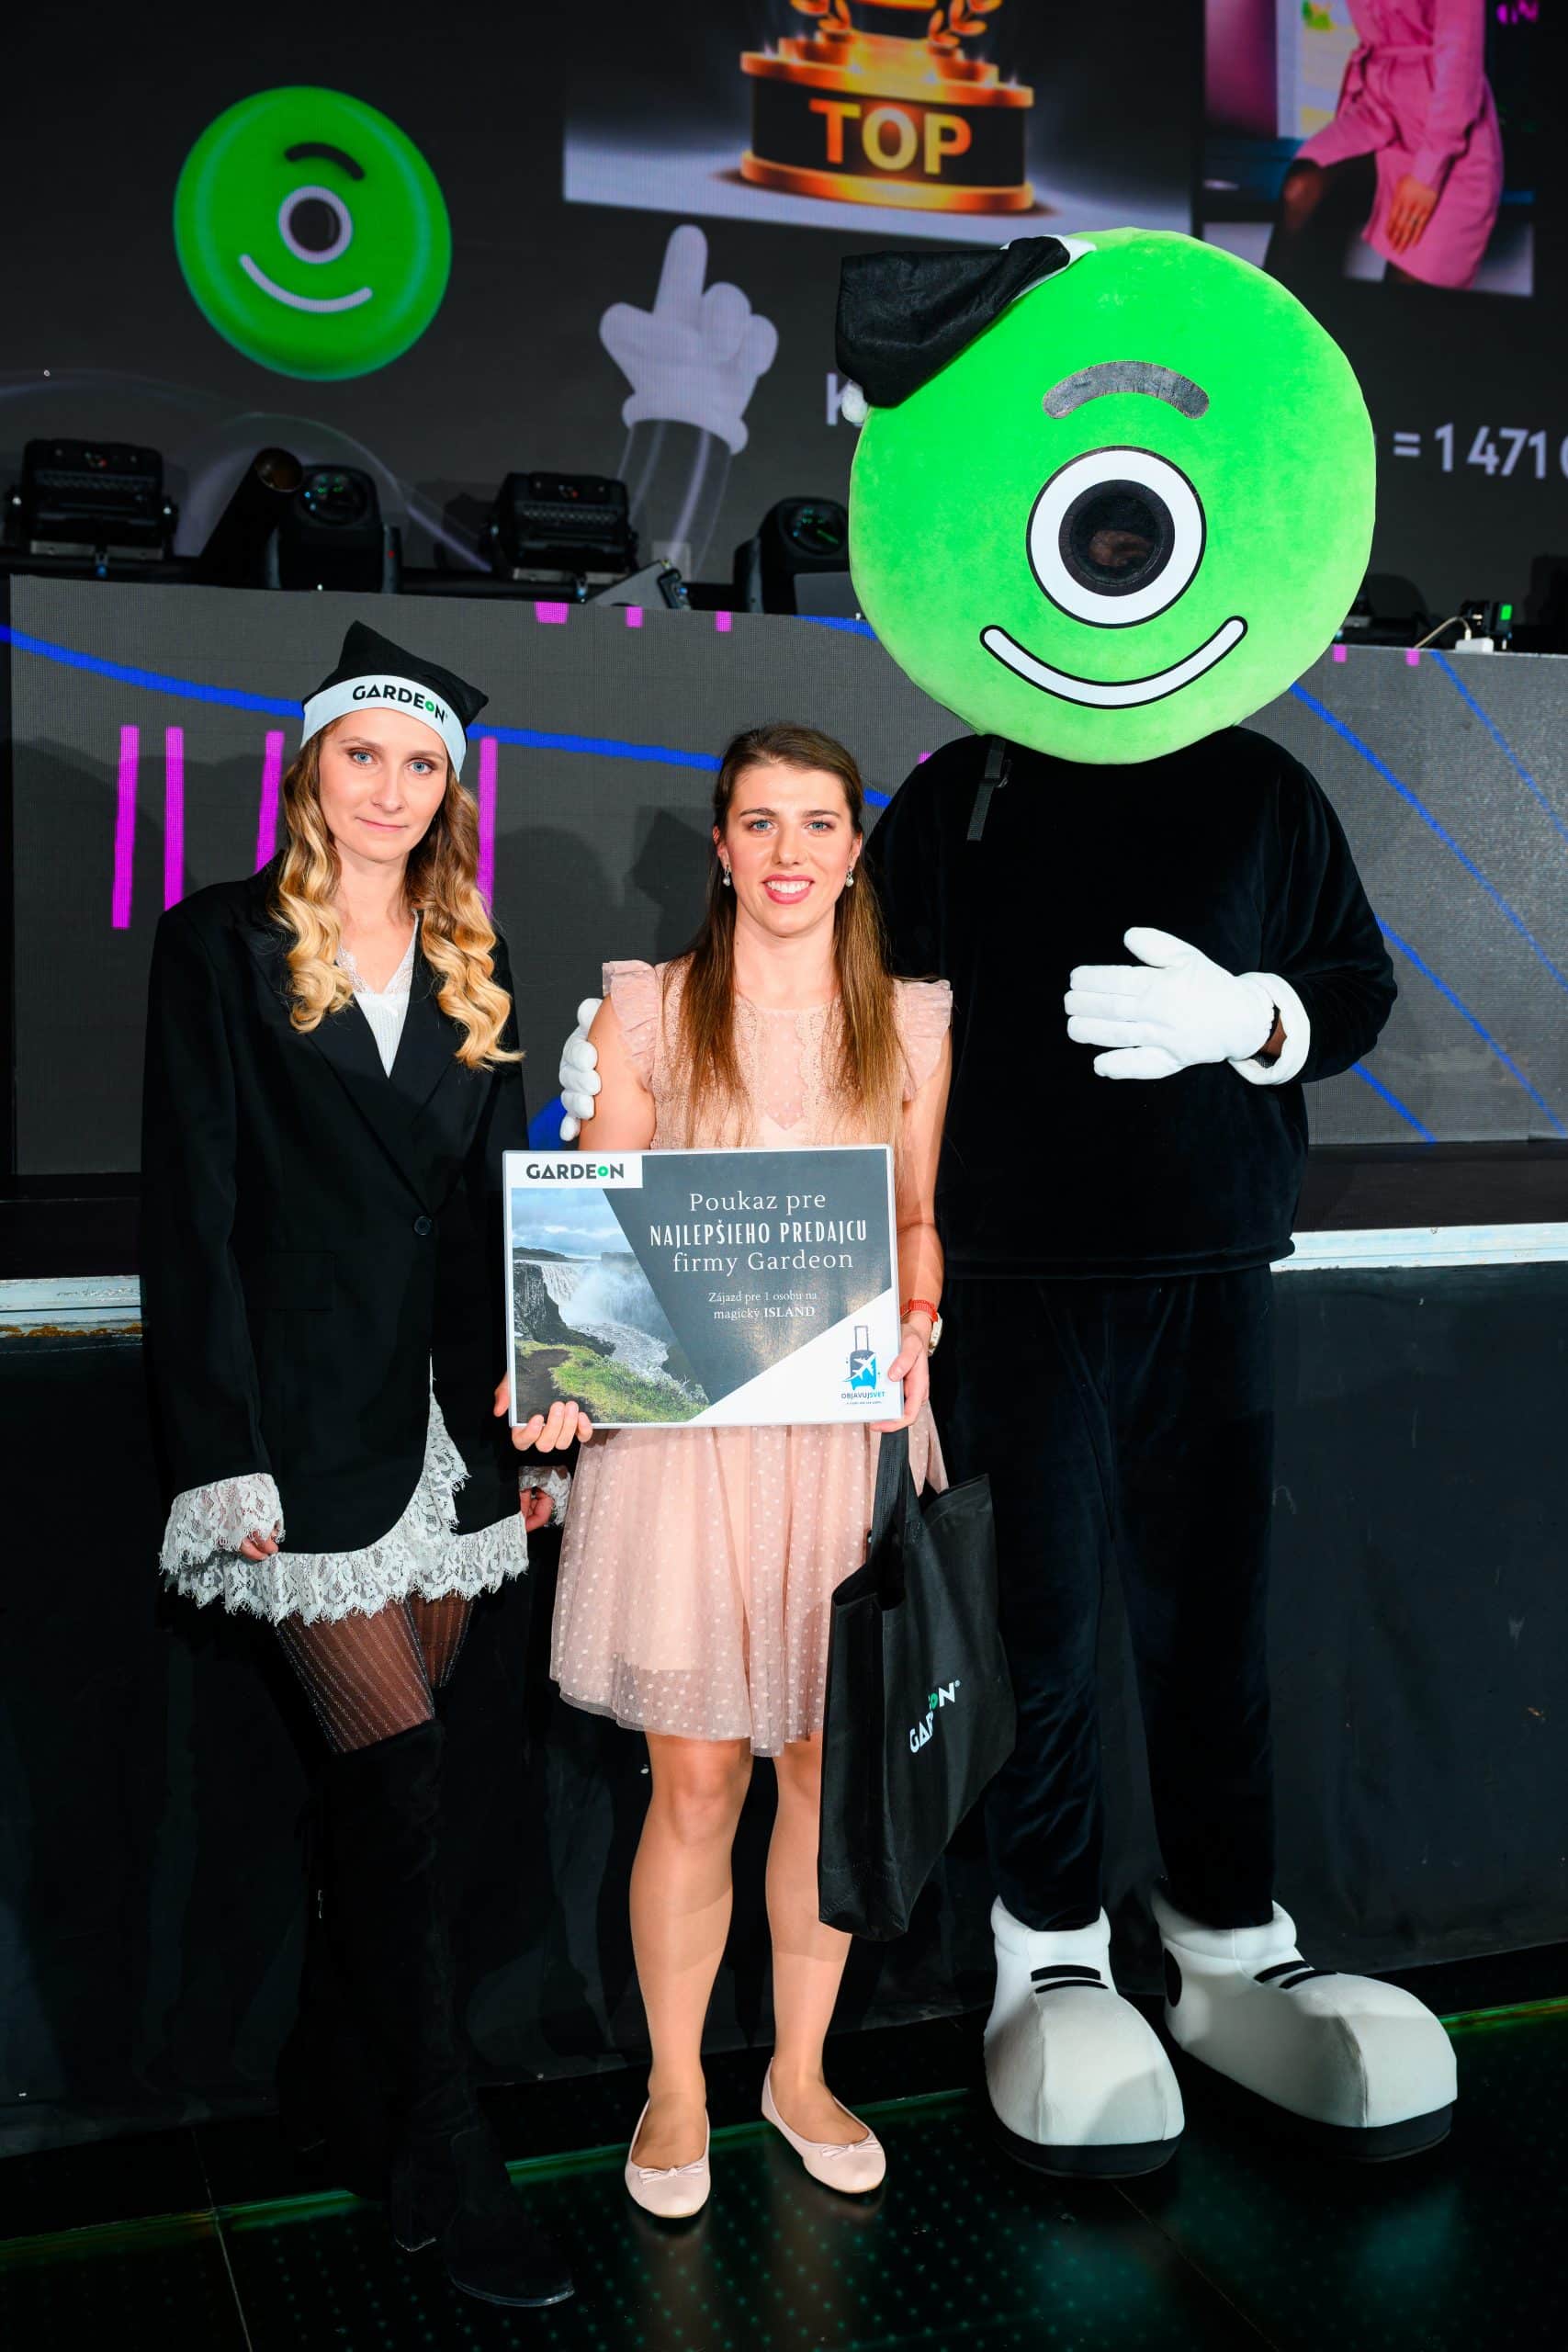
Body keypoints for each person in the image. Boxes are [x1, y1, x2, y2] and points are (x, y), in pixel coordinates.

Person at [141, 620, 580, 2310]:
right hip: (302, 1435)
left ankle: (338, 2082)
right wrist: (222, 1456)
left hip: (449, 1434)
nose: (388, 790)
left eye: (418, 766)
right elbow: (192, 1213)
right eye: (361, 758)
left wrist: (534, 1410)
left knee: (395, 1802)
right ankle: (446, 2154)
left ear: (447, 791)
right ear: (312, 771)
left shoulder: (479, 953)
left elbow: (491, 1210)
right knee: (394, 1793)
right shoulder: (220, 942)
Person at [549, 722, 952, 2215]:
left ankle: (796, 2071)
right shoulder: (647, 1010)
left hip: (842, 1438)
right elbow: (592, 1219)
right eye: (761, 823)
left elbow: (913, 1217)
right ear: (720, 849)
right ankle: (675, 2085)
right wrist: (562, 1335)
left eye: (818, 822)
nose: (789, 851)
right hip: (683, 1446)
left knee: (823, 1772)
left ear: (854, 851)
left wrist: (921, 1310)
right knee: (698, 1778)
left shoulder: (909, 1022)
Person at [1266, 1, 1503, 294]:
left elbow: (1459, 66)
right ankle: (1266, 322)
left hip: (1449, 135)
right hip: (1377, 113)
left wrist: (1427, 174)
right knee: (1303, 188)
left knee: (1402, 306)